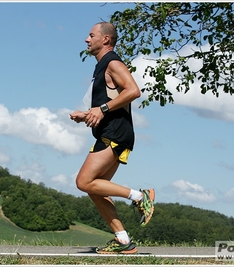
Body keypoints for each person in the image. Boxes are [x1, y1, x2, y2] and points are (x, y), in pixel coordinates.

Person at [69, 22, 155, 254]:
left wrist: (101, 109)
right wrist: (86, 114)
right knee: (95, 188)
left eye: (91, 35)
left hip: (115, 134)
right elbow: (108, 105)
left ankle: (140, 196)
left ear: (105, 39)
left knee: (83, 182)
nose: (87, 40)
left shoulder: (112, 63)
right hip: (111, 133)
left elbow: (133, 91)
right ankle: (123, 240)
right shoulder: (100, 67)